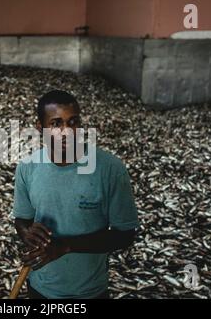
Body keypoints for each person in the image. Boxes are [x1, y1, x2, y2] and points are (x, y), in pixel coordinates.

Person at [11, 90, 139, 299]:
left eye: (73, 122)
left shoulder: (110, 168)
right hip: (39, 288)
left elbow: (125, 234)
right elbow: (22, 219)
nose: (67, 132)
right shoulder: (27, 167)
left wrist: (66, 247)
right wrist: (26, 233)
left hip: (90, 292)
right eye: (56, 124)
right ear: (40, 128)